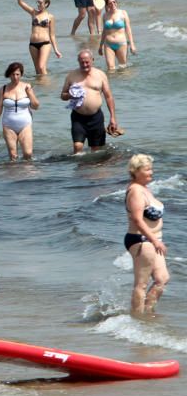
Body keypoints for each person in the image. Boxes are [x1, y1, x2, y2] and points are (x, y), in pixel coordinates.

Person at [124, 154, 169, 315]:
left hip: (154, 239)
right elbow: (137, 220)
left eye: (151, 168)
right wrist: (154, 241)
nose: (151, 172)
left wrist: (157, 240)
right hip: (141, 240)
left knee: (162, 279)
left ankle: (147, 314)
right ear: (136, 171)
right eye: (147, 169)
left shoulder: (145, 189)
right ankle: (137, 317)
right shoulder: (135, 191)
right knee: (141, 284)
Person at [60, 50, 119, 154]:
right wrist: (70, 95)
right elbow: (62, 96)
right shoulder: (72, 75)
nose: (85, 65)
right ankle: (79, 168)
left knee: (96, 150)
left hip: (96, 117)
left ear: (92, 60)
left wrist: (113, 118)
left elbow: (108, 97)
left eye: (87, 62)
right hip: (78, 117)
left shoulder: (100, 75)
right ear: (78, 61)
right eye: (82, 62)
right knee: (77, 146)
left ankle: (92, 169)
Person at [0, 62, 41, 161]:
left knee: (28, 154)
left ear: (21, 74)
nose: (15, 77)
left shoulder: (27, 87)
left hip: (25, 124)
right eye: (13, 74)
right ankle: (14, 175)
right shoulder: (3, 89)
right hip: (8, 125)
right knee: (13, 156)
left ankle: (27, 174)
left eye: (17, 74)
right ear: (9, 74)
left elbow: (36, 106)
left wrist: (30, 93)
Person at [15, 0, 61, 75]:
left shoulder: (50, 17)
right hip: (33, 44)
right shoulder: (33, 13)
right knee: (37, 70)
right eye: (37, 2)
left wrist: (56, 49)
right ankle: (41, 88)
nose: (38, 4)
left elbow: (52, 35)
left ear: (46, 4)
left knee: (41, 67)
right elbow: (20, 3)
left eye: (40, 3)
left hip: (45, 43)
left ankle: (47, 85)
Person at [98, 0, 136, 71]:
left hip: (121, 44)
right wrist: (100, 46)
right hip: (108, 45)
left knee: (123, 68)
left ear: (116, 3)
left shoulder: (123, 13)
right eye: (110, 3)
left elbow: (128, 29)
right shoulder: (105, 15)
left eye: (114, 2)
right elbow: (104, 32)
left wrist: (132, 44)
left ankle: (122, 82)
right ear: (107, 5)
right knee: (110, 69)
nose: (112, 4)